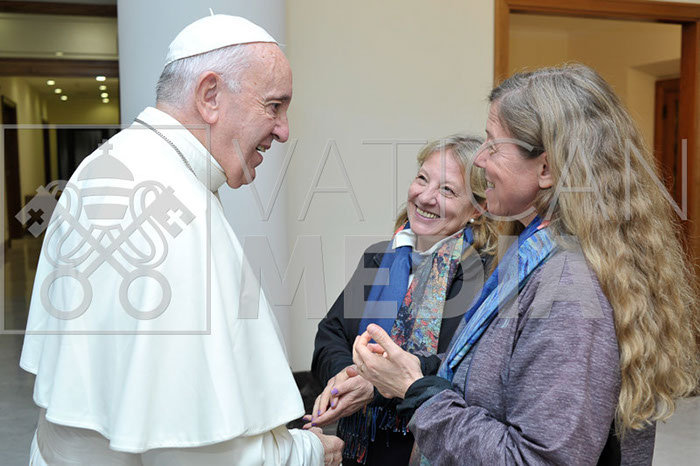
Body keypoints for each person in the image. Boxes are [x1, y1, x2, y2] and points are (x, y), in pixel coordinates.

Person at [21, 15, 343, 465]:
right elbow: (196, 451)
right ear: (210, 95)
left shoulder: (105, 164)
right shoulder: (178, 213)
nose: (283, 130)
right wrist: (309, 452)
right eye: (274, 106)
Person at [353, 64, 699, 465]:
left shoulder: (569, 284)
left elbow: (535, 459)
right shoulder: (534, 251)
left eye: (493, 145)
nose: (479, 161)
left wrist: (420, 395)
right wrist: (419, 371)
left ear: (546, 169)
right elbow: (500, 378)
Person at [308, 135, 501, 465]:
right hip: (357, 452)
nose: (425, 197)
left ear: (477, 208)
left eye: (447, 190)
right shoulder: (378, 258)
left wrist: (376, 386)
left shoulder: (486, 276)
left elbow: (466, 372)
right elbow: (331, 335)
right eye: (422, 178)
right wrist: (347, 375)